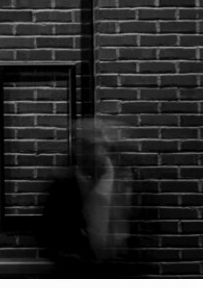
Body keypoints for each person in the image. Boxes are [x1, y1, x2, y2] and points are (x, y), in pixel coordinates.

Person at [39, 117, 133, 276]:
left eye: (90, 146)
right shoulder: (62, 186)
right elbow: (49, 239)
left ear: (105, 147)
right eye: (80, 145)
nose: (83, 152)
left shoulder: (127, 183)